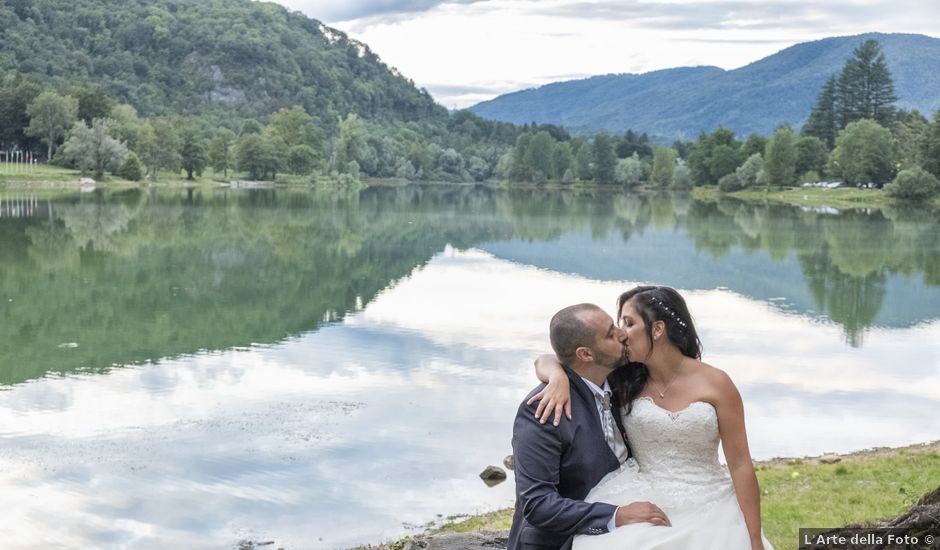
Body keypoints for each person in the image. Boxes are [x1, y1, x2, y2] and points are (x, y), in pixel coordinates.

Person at [531, 286, 774, 550]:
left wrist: (753, 538)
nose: (622, 333)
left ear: (657, 329)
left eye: (629, 323)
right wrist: (556, 374)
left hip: (712, 500)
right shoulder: (622, 378)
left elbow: (740, 465)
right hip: (643, 494)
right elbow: (558, 358)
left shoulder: (718, 383)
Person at [508, 303, 672, 550]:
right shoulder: (543, 408)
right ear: (586, 354)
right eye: (610, 333)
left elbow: (546, 359)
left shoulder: (618, 381)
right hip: (561, 542)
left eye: (617, 325)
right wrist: (617, 515)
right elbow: (538, 504)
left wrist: (555, 371)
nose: (622, 334)